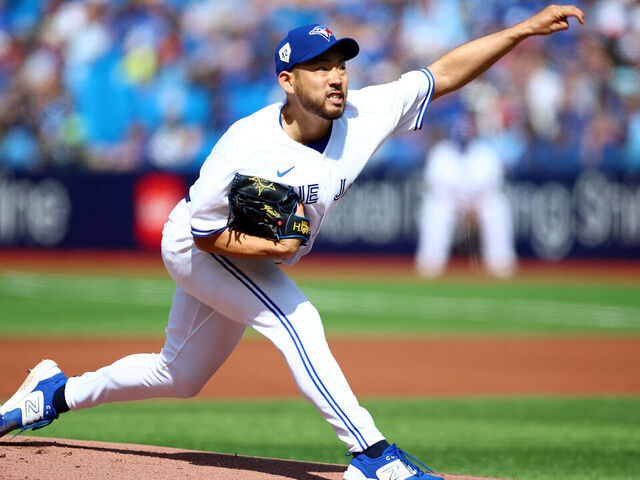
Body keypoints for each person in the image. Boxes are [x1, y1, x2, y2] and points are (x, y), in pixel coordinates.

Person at [1, 6, 584, 479]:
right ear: (288, 79)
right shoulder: (244, 145)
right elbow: (202, 232)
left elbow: (442, 74)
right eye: (319, 65)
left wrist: (524, 29)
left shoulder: (364, 112)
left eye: (340, 62)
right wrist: (271, 251)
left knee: (177, 375)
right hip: (196, 245)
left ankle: (55, 393)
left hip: (231, 248)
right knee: (297, 319)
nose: (336, 75)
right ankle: (372, 455)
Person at [415, 113, 517, 278]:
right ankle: (430, 263)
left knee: (496, 207)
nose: (463, 135)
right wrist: (460, 207)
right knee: (434, 208)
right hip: (450, 204)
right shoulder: (442, 152)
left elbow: (492, 187)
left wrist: (473, 208)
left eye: (467, 131)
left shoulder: (485, 151)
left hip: (479, 204)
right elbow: (436, 188)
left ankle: (500, 263)